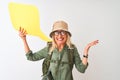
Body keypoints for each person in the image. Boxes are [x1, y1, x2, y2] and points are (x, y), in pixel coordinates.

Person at [19, 20, 99, 80]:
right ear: (53, 36)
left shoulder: (72, 49)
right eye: (56, 33)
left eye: (63, 32)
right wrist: (24, 39)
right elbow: (31, 57)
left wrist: (86, 51)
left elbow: (81, 69)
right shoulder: (49, 49)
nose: (60, 36)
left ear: (67, 35)